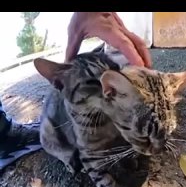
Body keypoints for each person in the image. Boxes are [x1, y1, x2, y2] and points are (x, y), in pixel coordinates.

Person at [0, 12, 152, 170]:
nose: (109, 87)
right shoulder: (75, 103)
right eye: (93, 83)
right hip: (62, 138)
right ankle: (4, 134)